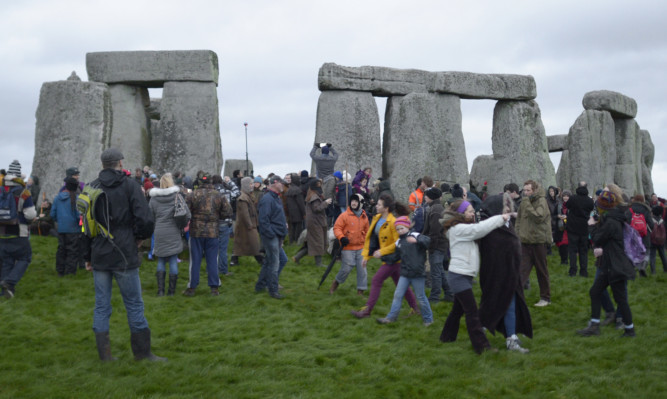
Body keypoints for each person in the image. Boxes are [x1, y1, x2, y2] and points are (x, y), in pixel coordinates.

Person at [82, 148, 164, 361]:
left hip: (99, 250)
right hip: (124, 250)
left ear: (103, 164)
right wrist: (139, 238)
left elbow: (85, 225)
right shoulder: (130, 185)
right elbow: (145, 219)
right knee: (134, 304)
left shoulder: (91, 187)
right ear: (120, 163)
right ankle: (143, 354)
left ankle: (105, 356)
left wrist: (87, 257)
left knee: (101, 305)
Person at [439, 199, 510, 354]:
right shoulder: (458, 229)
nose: (473, 213)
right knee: (472, 312)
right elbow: (480, 229)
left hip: (464, 275)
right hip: (458, 276)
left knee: (457, 310)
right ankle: (482, 346)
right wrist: (501, 218)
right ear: (461, 213)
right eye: (470, 211)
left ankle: (446, 337)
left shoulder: (461, 227)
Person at [576, 190, 636, 337]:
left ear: (603, 206)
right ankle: (596, 325)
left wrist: (591, 225)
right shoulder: (614, 218)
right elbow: (607, 240)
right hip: (611, 264)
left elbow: (598, 238)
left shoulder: (611, 221)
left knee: (620, 299)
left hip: (614, 266)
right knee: (595, 292)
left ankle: (629, 329)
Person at [478, 193, 533, 353]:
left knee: (511, 304)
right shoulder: (491, 229)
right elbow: (493, 253)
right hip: (496, 274)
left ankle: (511, 338)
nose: (509, 209)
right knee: (491, 305)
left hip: (511, 273)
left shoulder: (509, 224)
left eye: (509, 206)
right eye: (505, 206)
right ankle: (479, 334)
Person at [350, 194, 420, 319]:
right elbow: (370, 239)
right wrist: (366, 256)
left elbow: (397, 242)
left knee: (377, 280)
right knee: (401, 284)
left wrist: (382, 251)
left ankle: (367, 310)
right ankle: (416, 309)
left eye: (379, 205)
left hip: (394, 259)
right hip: (388, 258)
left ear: (386, 208)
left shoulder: (393, 222)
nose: (376, 206)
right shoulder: (377, 218)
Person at [376, 216, 433, 326]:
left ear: (408, 226)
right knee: (397, 295)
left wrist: (417, 240)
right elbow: (395, 257)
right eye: (397, 229)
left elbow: (427, 241)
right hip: (405, 274)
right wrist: (382, 256)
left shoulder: (416, 235)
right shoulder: (399, 242)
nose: (400, 231)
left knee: (421, 297)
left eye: (402, 228)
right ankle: (391, 318)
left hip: (417, 273)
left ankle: (428, 319)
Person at [183, 173, 231, 297]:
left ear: (199, 182)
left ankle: (192, 287)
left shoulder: (192, 195)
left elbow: (185, 213)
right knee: (212, 260)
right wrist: (216, 216)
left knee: (195, 261)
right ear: (211, 182)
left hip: (196, 232)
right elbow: (228, 212)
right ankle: (214, 287)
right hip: (212, 232)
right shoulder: (219, 195)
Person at [0, 160, 37, 299]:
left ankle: (6, 293)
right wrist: (30, 220)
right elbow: (30, 214)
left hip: (1, 233)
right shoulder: (23, 192)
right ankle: (9, 282)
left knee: (7, 261)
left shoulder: (1, 189)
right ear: (19, 177)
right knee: (25, 258)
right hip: (18, 232)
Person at [149, 174, 190, 296]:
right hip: (173, 230)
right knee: (173, 259)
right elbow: (187, 214)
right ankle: (171, 292)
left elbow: (150, 217)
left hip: (160, 231)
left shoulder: (154, 199)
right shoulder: (177, 197)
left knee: (161, 260)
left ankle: (160, 291)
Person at [515, 180, 552, 307]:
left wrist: (527, 204)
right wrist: (517, 235)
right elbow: (519, 219)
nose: (525, 193)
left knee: (541, 271)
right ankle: (515, 297)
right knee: (521, 270)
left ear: (534, 190)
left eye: (528, 190)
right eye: (524, 190)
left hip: (538, 241)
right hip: (525, 241)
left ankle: (545, 298)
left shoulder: (541, 201)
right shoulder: (524, 202)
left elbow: (539, 217)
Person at [255, 175, 289, 299]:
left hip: (277, 235)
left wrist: (283, 224)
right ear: (275, 183)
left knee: (276, 261)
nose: (283, 186)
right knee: (274, 263)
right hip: (271, 236)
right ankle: (273, 290)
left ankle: (260, 286)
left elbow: (275, 215)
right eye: (282, 183)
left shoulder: (276, 198)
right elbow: (263, 221)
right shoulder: (267, 199)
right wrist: (272, 234)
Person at [331, 193, 369, 295]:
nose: (353, 203)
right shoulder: (344, 216)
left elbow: (367, 232)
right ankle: (335, 283)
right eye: (352, 201)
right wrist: (341, 237)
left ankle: (360, 291)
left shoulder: (365, 217)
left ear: (361, 203)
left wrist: (366, 245)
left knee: (362, 270)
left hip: (361, 247)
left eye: (356, 201)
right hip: (347, 247)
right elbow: (337, 228)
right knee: (347, 268)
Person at [422, 187, 454, 303]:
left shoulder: (435, 210)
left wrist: (431, 247)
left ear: (431, 197)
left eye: (426, 195)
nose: (424, 197)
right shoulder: (436, 208)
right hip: (440, 244)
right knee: (439, 270)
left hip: (436, 245)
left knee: (435, 272)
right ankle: (449, 294)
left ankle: (434, 297)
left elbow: (435, 232)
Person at [50, 177, 81, 276]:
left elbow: (52, 214)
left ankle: (60, 270)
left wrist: (59, 221)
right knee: (72, 250)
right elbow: (78, 216)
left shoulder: (57, 198)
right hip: (73, 229)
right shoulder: (76, 199)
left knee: (61, 250)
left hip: (61, 228)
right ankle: (70, 271)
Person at [231, 177, 263, 266]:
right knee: (253, 242)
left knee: (243, 242)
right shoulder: (243, 198)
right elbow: (244, 213)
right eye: (250, 184)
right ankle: (260, 258)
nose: (252, 185)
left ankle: (234, 260)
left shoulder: (248, 196)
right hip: (245, 225)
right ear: (245, 185)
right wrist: (250, 224)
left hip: (248, 224)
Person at [565, 182, 594, 277]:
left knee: (572, 250)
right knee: (583, 251)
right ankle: (583, 271)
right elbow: (591, 208)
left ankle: (572, 271)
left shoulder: (573, 198)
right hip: (584, 227)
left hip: (572, 227)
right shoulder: (589, 200)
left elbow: (567, 206)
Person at [212, 175, 239, 277]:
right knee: (223, 248)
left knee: (212, 248)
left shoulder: (210, 193)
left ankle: (212, 269)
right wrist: (230, 181)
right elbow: (237, 192)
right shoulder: (227, 192)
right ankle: (223, 270)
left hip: (212, 223)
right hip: (224, 222)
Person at [305, 179, 332, 267]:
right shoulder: (314, 197)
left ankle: (297, 257)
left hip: (315, 221)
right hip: (315, 222)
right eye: (318, 184)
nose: (320, 186)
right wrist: (325, 203)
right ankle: (319, 263)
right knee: (318, 242)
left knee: (311, 242)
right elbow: (316, 209)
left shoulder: (314, 194)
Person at [285, 173, 306, 244]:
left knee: (292, 227)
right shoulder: (297, 190)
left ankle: (291, 241)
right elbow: (301, 203)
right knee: (298, 227)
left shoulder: (289, 189)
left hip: (290, 211)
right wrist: (304, 213)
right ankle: (297, 241)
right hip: (297, 211)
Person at [649, 205, 666, 274]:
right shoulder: (663, 221)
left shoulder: (651, 220)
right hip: (661, 240)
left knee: (652, 255)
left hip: (653, 240)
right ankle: (665, 268)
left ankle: (653, 271)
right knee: (663, 255)